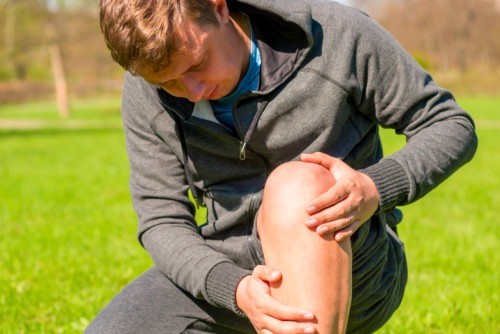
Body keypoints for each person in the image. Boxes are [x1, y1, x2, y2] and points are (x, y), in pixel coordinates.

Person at [88, 0, 477, 333]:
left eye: (196, 65)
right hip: (233, 275)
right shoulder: (144, 92)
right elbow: (162, 219)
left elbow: (449, 124)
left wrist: (373, 188)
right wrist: (234, 289)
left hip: (352, 263)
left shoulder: (337, 36)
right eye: (168, 83)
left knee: (298, 187)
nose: (192, 92)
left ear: (220, 8)